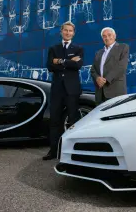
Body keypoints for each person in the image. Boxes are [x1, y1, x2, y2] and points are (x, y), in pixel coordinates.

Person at [43, 21, 84, 160]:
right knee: (55, 120)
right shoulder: (53, 48)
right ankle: (53, 151)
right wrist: (68, 61)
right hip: (57, 89)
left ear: (74, 33)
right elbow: (50, 66)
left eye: (70, 31)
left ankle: (73, 152)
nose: (68, 33)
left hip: (72, 89)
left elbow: (77, 65)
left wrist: (59, 61)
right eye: (65, 30)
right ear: (61, 31)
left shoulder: (78, 48)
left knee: (73, 120)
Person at [90, 27, 129, 105]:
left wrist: (106, 80)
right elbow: (93, 69)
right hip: (100, 93)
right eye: (104, 36)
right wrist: (97, 78)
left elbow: (121, 66)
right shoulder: (98, 53)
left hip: (116, 92)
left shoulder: (123, 47)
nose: (107, 38)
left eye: (109, 35)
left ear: (114, 36)